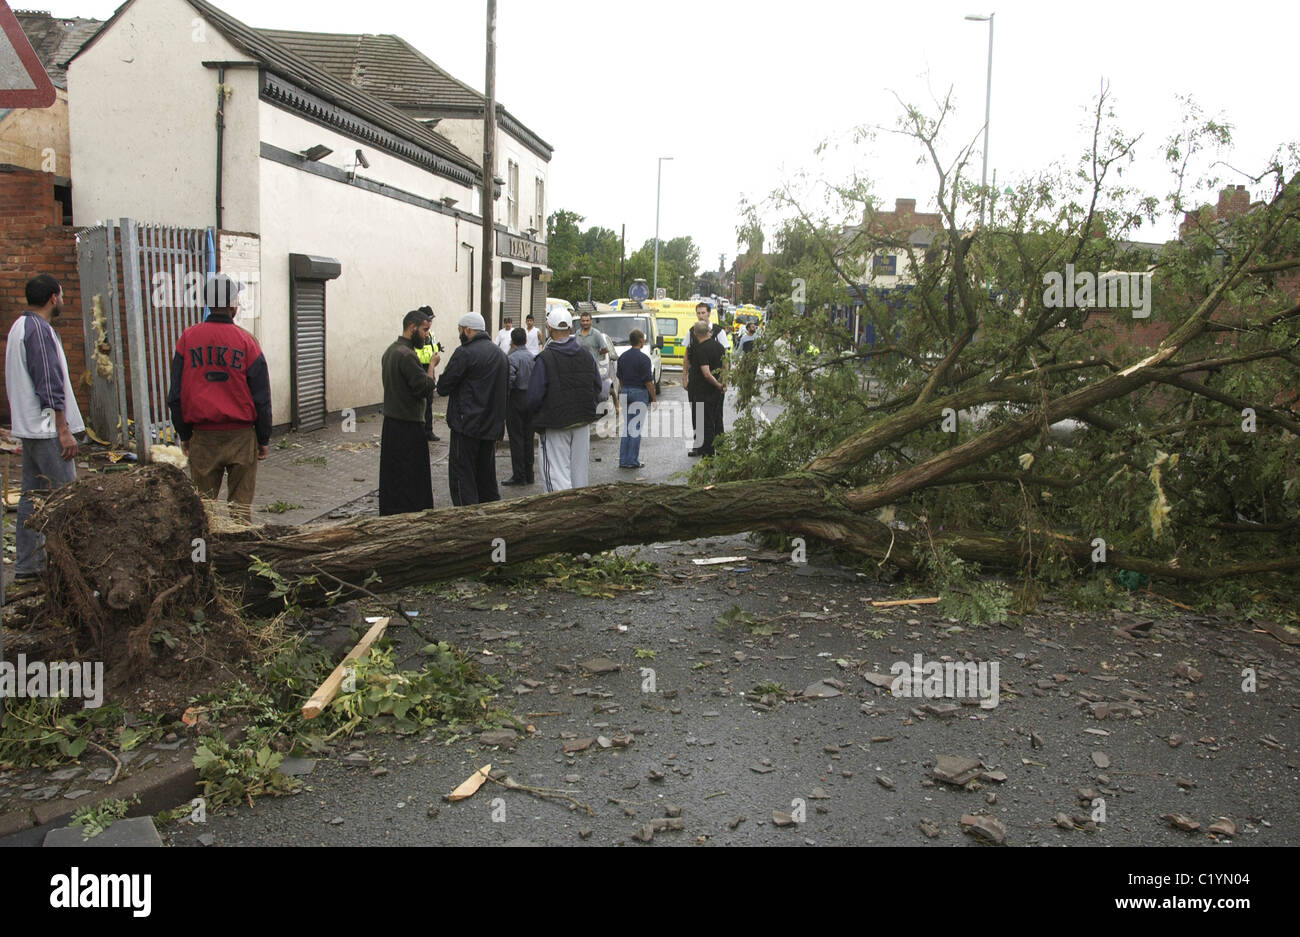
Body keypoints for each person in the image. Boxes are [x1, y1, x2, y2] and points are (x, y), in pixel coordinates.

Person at [167, 273, 272, 522]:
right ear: (232, 304)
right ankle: (241, 556)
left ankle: (204, 556)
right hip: (241, 436)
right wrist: (263, 437)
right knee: (240, 511)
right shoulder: (248, 342)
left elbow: (175, 395)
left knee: (203, 511)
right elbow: (261, 397)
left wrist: (184, 434)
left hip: (203, 437)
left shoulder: (187, 339)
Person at [5, 274, 84, 580]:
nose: (63, 301)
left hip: (29, 428)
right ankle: (73, 570)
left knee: (31, 496)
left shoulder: (18, 327)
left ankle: (27, 564)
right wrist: (63, 429)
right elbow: (48, 383)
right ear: (53, 297)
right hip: (47, 430)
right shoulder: (39, 330)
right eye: (62, 296)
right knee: (68, 500)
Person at [525, 306, 601, 492]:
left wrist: (533, 417)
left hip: (555, 423)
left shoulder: (545, 358)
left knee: (556, 474)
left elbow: (534, 396)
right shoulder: (586, 355)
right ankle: (579, 511)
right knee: (579, 473)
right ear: (570, 329)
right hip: (582, 420)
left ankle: (561, 513)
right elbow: (597, 387)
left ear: (548, 329)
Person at [436, 312, 508, 506]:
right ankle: (490, 515)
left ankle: (466, 520)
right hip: (491, 426)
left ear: (467, 330)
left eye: (460, 330)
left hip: (466, 426)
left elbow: (443, 387)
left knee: (462, 477)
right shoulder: (500, 355)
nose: (459, 334)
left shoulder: (464, 353)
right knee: (486, 476)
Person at [379, 309, 440, 515]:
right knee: (411, 478)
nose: (426, 335)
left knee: (393, 477)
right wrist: (431, 366)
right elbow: (424, 387)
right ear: (412, 328)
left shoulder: (390, 351)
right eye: (424, 330)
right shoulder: (407, 355)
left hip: (392, 423)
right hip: (408, 425)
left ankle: (392, 513)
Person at [681, 301, 730, 446]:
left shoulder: (718, 331)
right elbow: (686, 356)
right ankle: (700, 445)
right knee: (697, 413)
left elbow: (725, 358)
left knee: (716, 414)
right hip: (696, 381)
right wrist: (684, 377)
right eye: (698, 313)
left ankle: (719, 445)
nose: (701, 315)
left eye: (703, 312)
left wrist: (724, 381)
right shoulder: (692, 331)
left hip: (714, 381)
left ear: (709, 313)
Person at [616, 328, 656, 469]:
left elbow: (619, 378)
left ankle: (623, 460)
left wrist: (624, 389)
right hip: (639, 392)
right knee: (636, 428)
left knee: (627, 427)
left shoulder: (622, 357)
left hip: (625, 391)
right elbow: (648, 382)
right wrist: (654, 398)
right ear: (641, 341)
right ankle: (632, 460)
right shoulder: (644, 359)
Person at [502, 327, 536, 486]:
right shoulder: (532, 357)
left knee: (516, 438)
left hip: (516, 398)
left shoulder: (512, 358)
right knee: (529, 437)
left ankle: (519, 475)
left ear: (512, 341)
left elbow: (509, 380)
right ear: (526, 340)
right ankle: (529, 474)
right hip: (530, 398)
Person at [686, 320, 726, 457]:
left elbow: (706, 373)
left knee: (704, 423)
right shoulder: (720, 347)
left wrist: (717, 384)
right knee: (717, 420)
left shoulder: (700, 349)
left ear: (695, 333)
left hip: (703, 391)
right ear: (709, 331)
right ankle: (722, 451)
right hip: (717, 392)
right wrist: (723, 384)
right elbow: (726, 366)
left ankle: (708, 455)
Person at [413, 306, 440, 441]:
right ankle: (419, 431)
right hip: (418, 368)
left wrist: (433, 370)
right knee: (419, 402)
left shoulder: (431, 334)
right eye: (428, 319)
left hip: (429, 368)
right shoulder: (416, 334)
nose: (430, 322)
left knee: (429, 402)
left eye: (431, 319)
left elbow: (433, 351)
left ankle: (428, 431)